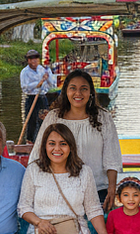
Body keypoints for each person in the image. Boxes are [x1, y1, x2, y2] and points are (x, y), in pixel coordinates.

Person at [30, 68, 122, 210]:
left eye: (83, 89)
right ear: (66, 91)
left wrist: (111, 189)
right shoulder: (53, 117)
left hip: (98, 190)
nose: (78, 93)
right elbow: (37, 156)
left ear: (91, 92)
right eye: (73, 88)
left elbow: (112, 159)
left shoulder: (103, 117)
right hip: (59, 190)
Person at [19, 49, 56, 143]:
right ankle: (30, 141)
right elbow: (25, 87)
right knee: (31, 121)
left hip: (42, 97)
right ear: (28, 60)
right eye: (31, 59)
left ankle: (44, 141)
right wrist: (38, 83)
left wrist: (47, 79)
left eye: (36, 58)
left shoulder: (43, 69)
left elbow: (52, 84)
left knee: (44, 119)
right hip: (31, 98)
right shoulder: (25, 72)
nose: (34, 61)